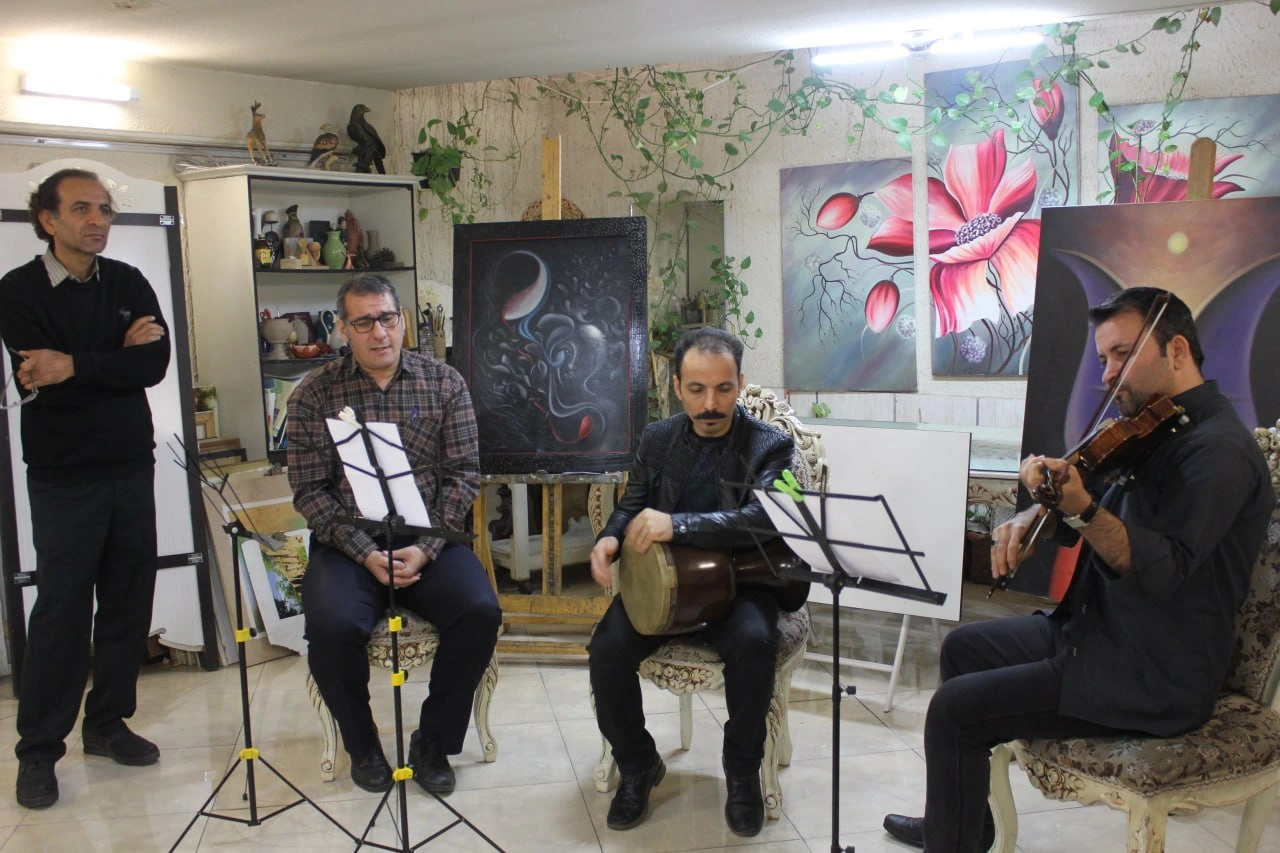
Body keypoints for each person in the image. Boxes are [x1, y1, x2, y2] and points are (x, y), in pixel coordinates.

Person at [882, 287, 1275, 852]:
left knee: (953, 711)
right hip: (1098, 634)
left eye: (1122, 354)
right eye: (1103, 359)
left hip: (1151, 671)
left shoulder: (1216, 451)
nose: (1108, 374)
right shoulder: (1156, 428)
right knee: (963, 649)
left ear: (1177, 350)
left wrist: (1082, 508)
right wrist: (1036, 514)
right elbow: (1091, 514)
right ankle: (963, 823)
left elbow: (1164, 569)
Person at [588, 326, 807, 837]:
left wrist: (679, 525)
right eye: (696, 389)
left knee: (754, 643)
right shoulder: (659, 439)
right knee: (606, 650)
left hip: (743, 583)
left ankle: (742, 772)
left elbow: (767, 519)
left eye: (723, 389)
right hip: (667, 588)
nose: (710, 404)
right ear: (677, 386)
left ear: (740, 383)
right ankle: (638, 764)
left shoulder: (771, 445)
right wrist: (609, 537)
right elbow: (633, 503)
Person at [287, 273, 501, 796]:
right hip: (347, 544)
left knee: (479, 611)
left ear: (402, 319)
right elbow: (310, 491)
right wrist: (365, 554)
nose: (379, 332)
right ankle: (363, 746)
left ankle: (433, 742)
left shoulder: (444, 382)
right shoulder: (314, 393)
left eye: (387, 318)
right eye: (363, 322)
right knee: (332, 624)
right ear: (343, 329)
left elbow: (464, 476)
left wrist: (425, 550)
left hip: (429, 536)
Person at [0, 168, 171, 809]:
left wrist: (75, 362)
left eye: (104, 209)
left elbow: (153, 363)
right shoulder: (16, 292)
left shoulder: (127, 281)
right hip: (63, 474)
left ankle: (107, 724)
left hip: (130, 465)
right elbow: (38, 377)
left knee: (127, 600)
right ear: (47, 219)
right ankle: (39, 750)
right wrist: (113, 358)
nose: (98, 220)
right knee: (62, 611)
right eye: (81, 209)